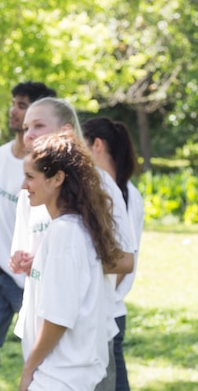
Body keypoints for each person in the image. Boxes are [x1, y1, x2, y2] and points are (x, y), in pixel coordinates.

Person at [9, 98, 136, 391]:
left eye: (38, 126)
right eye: (26, 127)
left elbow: (125, 261)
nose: (28, 135)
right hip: (44, 345)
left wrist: (68, 263)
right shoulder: (31, 195)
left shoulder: (99, 190)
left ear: (66, 131)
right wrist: (33, 262)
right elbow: (37, 260)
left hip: (75, 353)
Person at [0, 81, 56, 391]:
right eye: (14, 103)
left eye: (22, 105)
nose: (13, 110)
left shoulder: (50, 169)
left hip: (34, 276)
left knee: (39, 352)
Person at [83, 117, 145, 391]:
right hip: (102, 312)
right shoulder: (103, 188)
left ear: (96, 144)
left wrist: (102, 301)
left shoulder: (123, 194)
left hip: (108, 313)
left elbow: (122, 259)